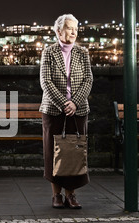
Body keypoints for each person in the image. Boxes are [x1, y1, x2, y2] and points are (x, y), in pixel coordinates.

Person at [39, 14, 93, 209]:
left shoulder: (83, 53)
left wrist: (75, 103)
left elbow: (88, 80)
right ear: (58, 30)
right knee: (53, 153)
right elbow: (45, 81)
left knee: (74, 153)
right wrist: (64, 103)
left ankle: (71, 194)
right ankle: (57, 195)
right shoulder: (48, 52)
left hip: (78, 111)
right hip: (53, 110)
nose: (73, 32)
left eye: (75, 28)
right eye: (69, 28)